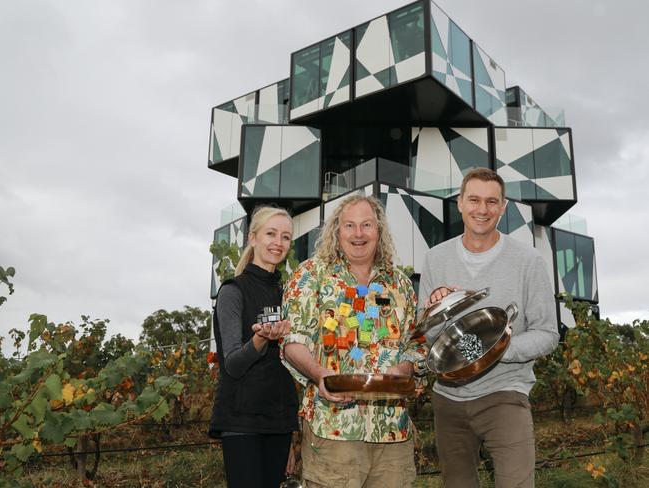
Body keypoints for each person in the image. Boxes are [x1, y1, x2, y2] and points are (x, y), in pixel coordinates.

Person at [419, 168, 560, 488]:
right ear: (459, 203)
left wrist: (498, 349)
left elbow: (548, 333)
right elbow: (427, 334)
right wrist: (436, 311)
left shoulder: (528, 261)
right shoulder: (435, 259)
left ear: (503, 207)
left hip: (505, 395)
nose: (482, 210)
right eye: (474, 200)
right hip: (447, 399)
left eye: (491, 202)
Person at [281, 194, 427, 488]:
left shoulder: (399, 284)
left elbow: (416, 343)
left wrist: (406, 368)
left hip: (392, 431)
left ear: (379, 231)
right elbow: (292, 342)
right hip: (333, 427)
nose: (358, 234)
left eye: (366, 225)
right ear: (337, 230)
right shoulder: (311, 276)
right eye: (349, 225)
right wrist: (320, 374)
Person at [209, 206, 299, 488]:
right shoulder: (233, 291)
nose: (278, 242)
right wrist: (260, 339)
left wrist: (291, 430)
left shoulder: (290, 294)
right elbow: (233, 364)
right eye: (271, 234)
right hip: (242, 421)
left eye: (285, 237)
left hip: (279, 422)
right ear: (253, 238)